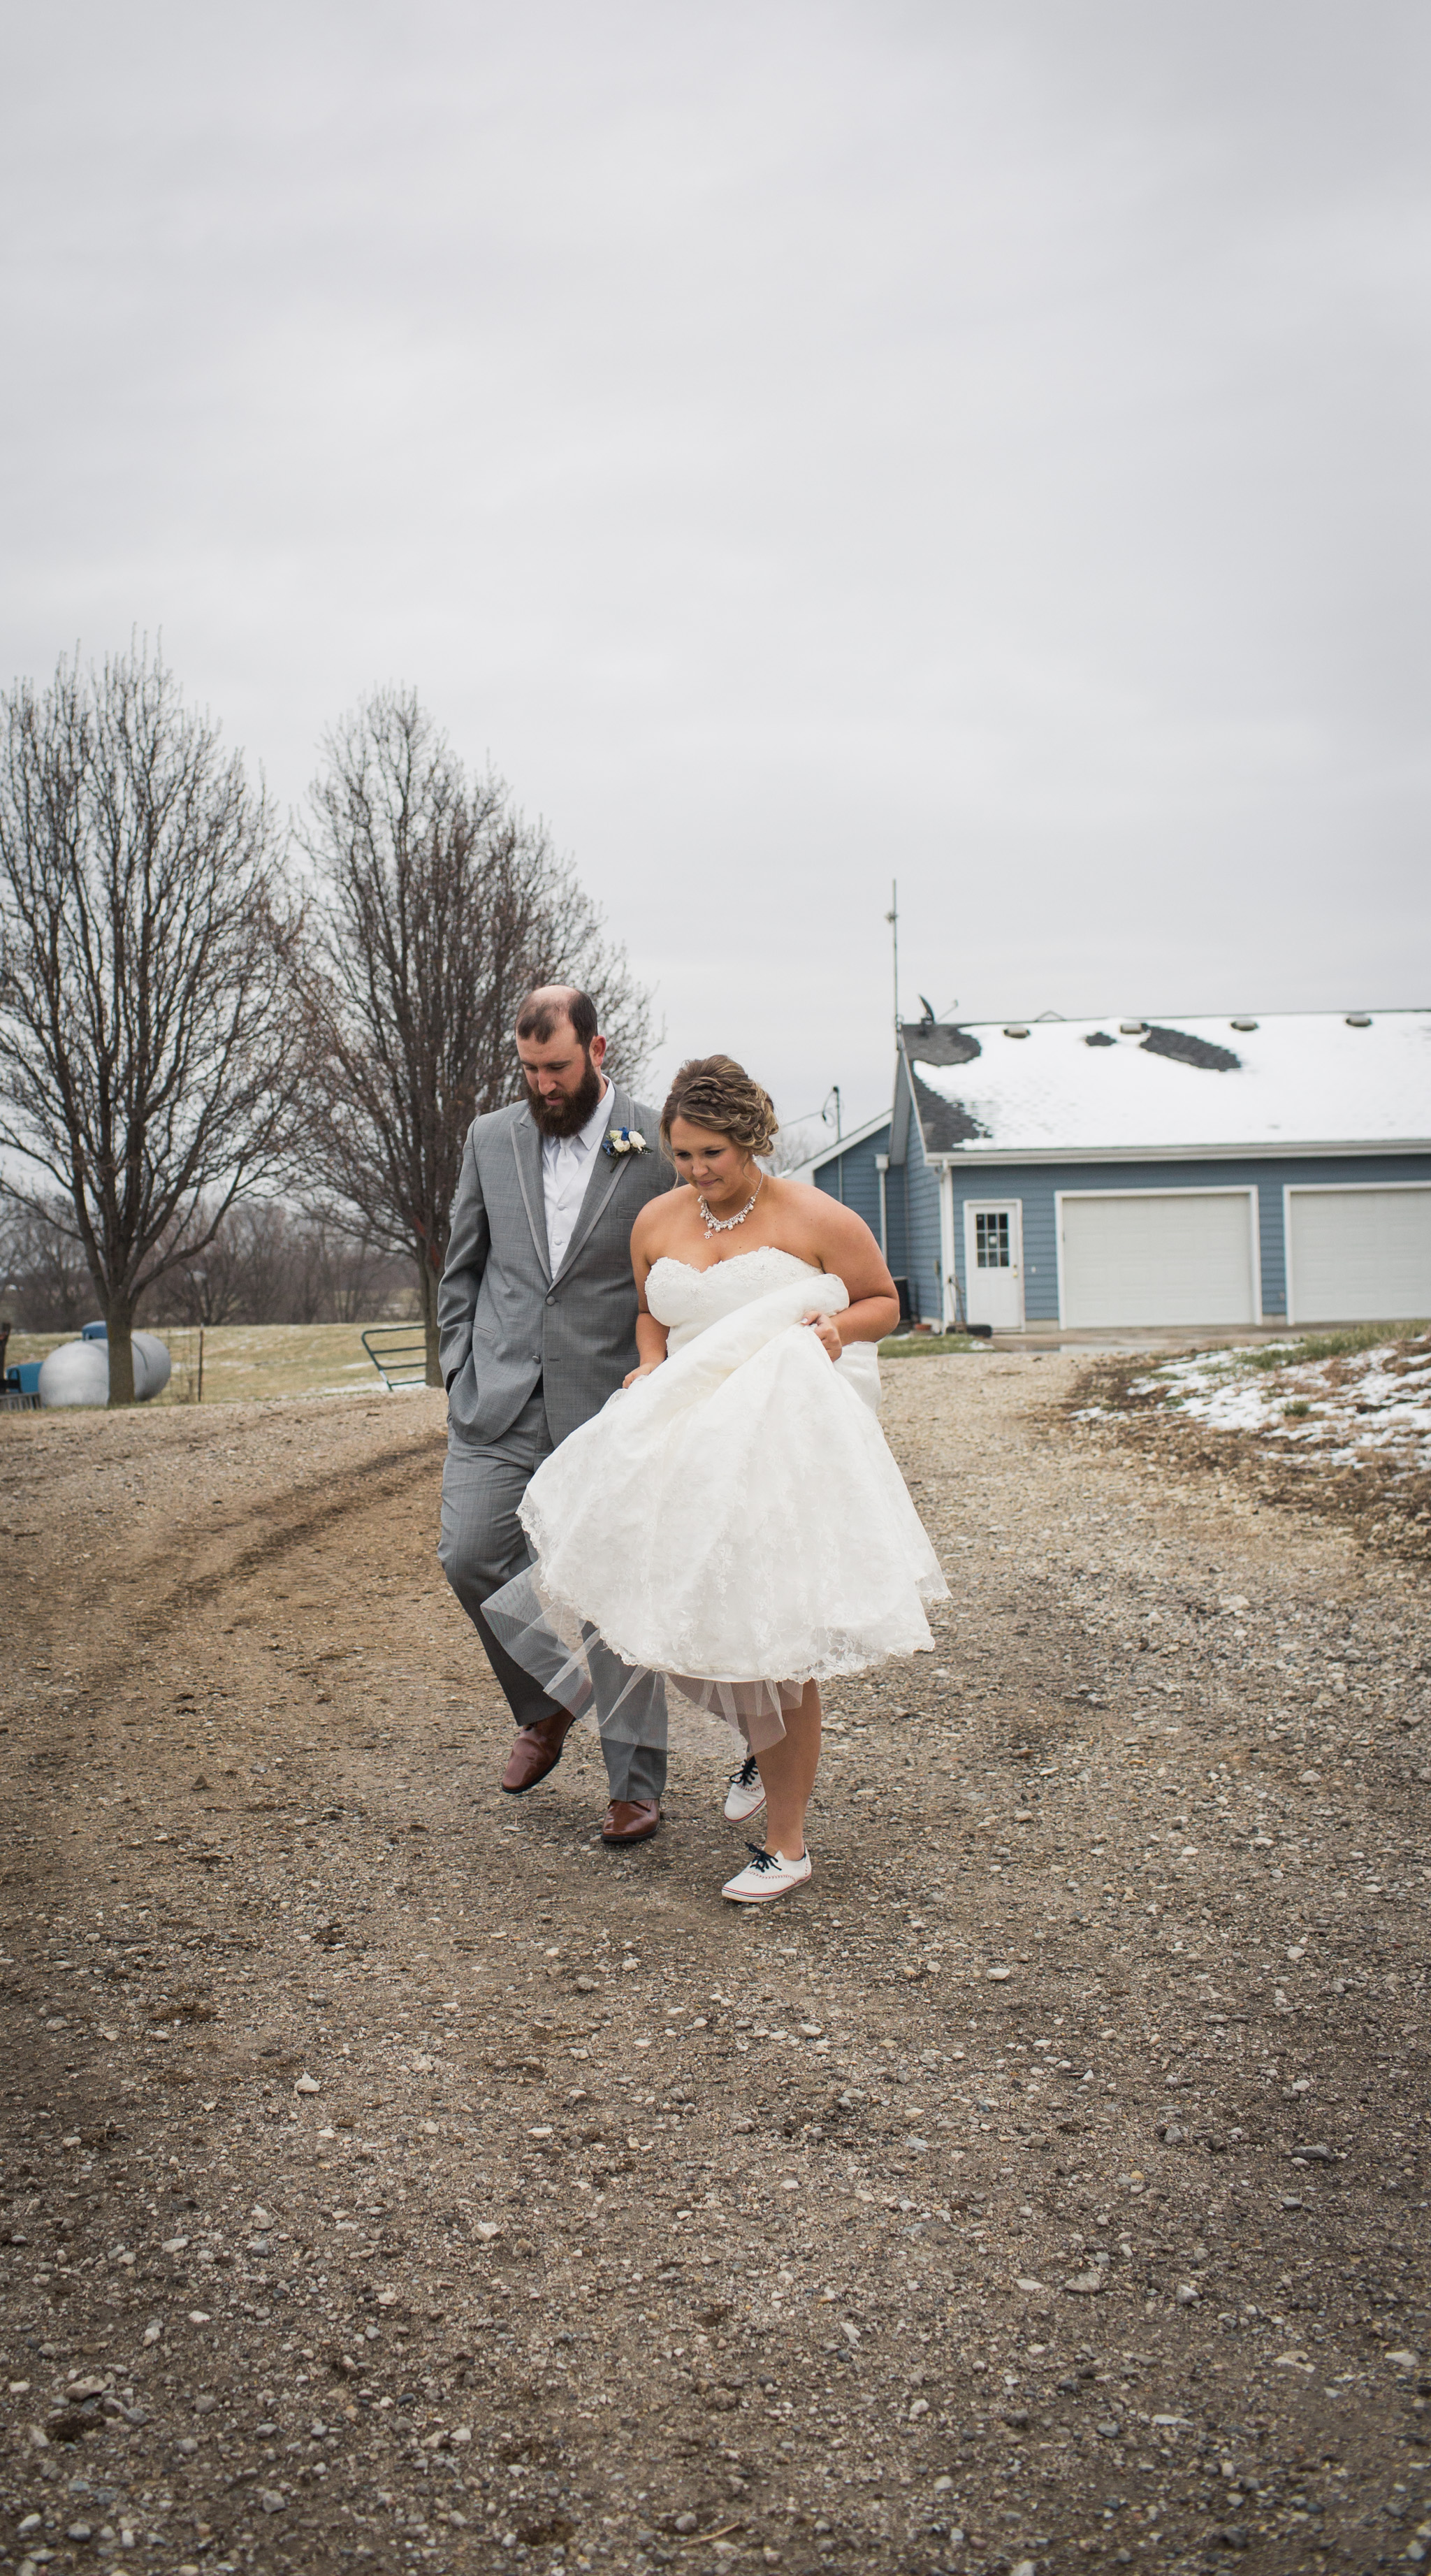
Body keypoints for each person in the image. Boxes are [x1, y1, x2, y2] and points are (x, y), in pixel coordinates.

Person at [483, 1055, 949, 1903]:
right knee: (662, 1609)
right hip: (685, 1437)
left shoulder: (815, 1214)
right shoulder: (657, 1221)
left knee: (774, 1638)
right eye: (684, 1154)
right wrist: (648, 1363)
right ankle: (754, 1738)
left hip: (777, 1440)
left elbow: (880, 1298)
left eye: (713, 1155)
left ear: (750, 1141)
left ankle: (786, 1843)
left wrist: (833, 1332)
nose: (698, 1171)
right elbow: (648, 1313)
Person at [437, 985, 678, 1844]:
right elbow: (462, 1263)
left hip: (608, 1401)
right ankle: (547, 1702)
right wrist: (457, 1363)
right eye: (529, 1068)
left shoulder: (657, 1143)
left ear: (598, 1050)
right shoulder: (488, 1138)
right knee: (468, 1552)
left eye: (558, 1066)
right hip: (495, 1396)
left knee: (612, 1591)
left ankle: (634, 1784)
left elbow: (685, 1265)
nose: (542, 1084)